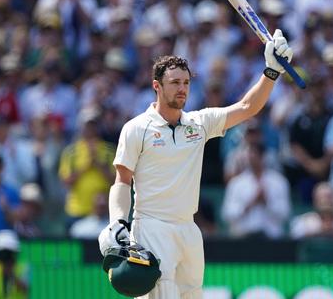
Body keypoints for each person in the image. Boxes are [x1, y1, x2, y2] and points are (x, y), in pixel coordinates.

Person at [99, 30, 294, 298]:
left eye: (186, 83)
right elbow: (122, 180)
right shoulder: (136, 128)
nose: (182, 89)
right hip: (152, 226)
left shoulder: (199, 123)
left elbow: (248, 106)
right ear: (157, 86)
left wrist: (271, 71)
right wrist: (118, 222)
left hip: (188, 230)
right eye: (175, 82)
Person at [221, 142, 291, 239]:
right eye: (250, 154)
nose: (252, 157)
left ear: (263, 156)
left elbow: (285, 213)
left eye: (256, 154)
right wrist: (250, 204)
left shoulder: (279, 182)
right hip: (243, 238)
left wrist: (266, 202)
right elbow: (227, 214)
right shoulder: (236, 183)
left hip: (272, 239)